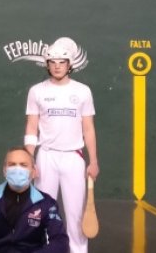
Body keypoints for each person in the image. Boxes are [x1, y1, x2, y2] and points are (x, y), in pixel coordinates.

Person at [23, 37, 97, 253]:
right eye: (53, 61)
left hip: (74, 158)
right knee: (42, 212)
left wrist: (93, 161)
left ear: (69, 64)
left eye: (62, 61)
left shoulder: (83, 91)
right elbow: (31, 128)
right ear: (47, 64)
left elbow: (89, 129)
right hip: (46, 157)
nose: (57, 65)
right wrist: (29, 160)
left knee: (75, 214)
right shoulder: (37, 91)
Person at [0, 147, 69, 253]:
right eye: (12, 164)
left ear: (33, 172)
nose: (17, 169)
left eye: (23, 165)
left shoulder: (46, 204)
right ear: (4, 171)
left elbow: (60, 242)